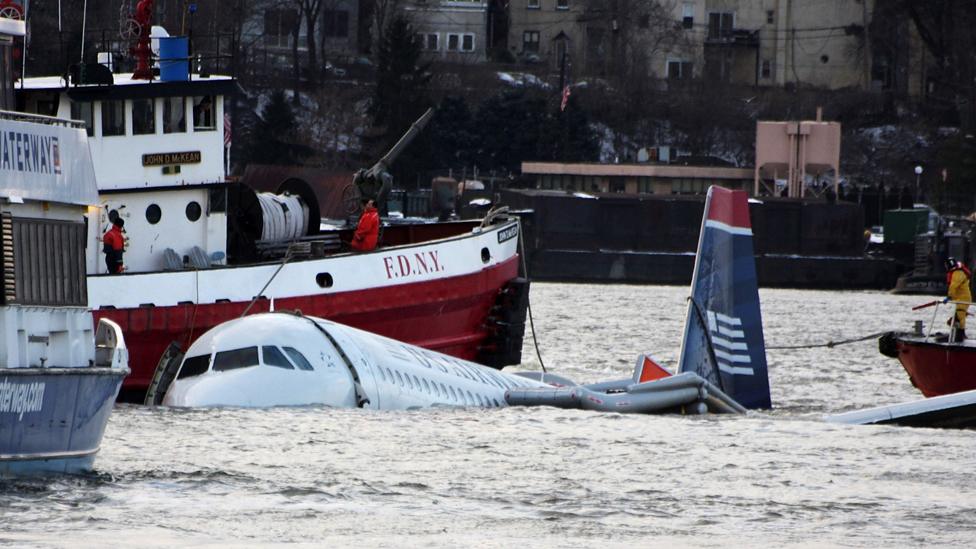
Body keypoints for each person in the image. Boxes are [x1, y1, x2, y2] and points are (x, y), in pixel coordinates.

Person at [944, 257, 972, 342]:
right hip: (961, 298)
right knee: (956, 319)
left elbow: (954, 286)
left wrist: (949, 296)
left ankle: (960, 336)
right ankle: (958, 335)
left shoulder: (958, 273)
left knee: (960, 317)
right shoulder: (957, 272)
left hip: (963, 299)